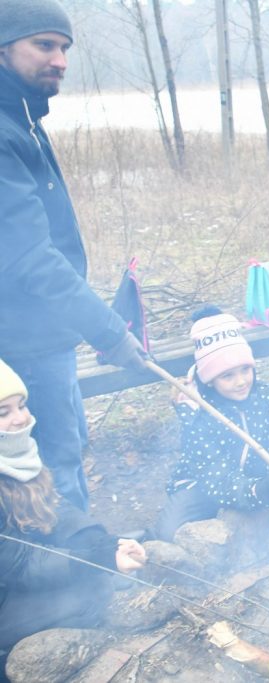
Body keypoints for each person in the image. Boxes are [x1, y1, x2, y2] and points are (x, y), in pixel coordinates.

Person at [0, 0, 148, 511]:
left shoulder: (22, 116)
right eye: (44, 45)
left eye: (63, 48)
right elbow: (28, 258)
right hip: (25, 342)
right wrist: (110, 332)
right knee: (52, 466)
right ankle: (78, 578)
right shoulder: (2, 129)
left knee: (63, 455)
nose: (60, 59)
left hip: (43, 334)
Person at [0, 359, 146, 678]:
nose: (20, 419)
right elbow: (19, 563)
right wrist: (95, 560)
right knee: (86, 598)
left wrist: (106, 546)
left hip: (13, 584)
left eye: (21, 405)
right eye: (4, 412)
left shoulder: (17, 455)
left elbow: (58, 512)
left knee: (93, 586)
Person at [154, 308, 269, 541]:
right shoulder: (197, 412)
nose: (241, 382)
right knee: (168, 532)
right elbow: (215, 476)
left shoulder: (264, 395)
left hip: (256, 470)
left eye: (245, 370)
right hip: (204, 486)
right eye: (227, 376)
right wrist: (257, 491)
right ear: (210, 380)